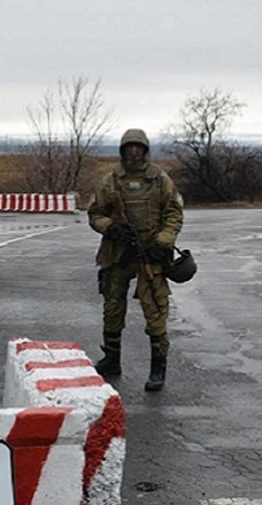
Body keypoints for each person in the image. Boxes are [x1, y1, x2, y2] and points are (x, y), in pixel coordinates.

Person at [87, 128, 184, 392]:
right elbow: (95, 213)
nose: (133, 152)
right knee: (112, 307)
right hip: (118, 253)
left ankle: (158, 367)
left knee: (155, 309)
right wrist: (111, 227)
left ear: (145, 150)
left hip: (150, 254)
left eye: (138, 147)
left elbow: (174, 213)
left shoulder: (159, 180)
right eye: (129, 147)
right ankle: (111, 359)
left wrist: (162, 243)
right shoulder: (111, 181)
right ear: (122, 150)